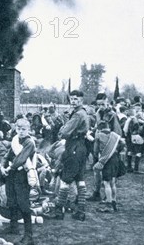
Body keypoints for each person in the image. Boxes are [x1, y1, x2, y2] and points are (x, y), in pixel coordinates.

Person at [54, 90, 89, 222]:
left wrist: (62, 130)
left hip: (73, 146)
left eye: (76, 99)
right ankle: (80, 211)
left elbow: (64, 132)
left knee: (65, 179)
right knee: (80, 179)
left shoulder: (77, 115)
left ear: (81, 100)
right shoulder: (84, 112)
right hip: (81, 147)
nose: (73, 101)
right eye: (72, 99)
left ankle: (59, 210)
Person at [1, 117, 36, 245]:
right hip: (12, 173)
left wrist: (9, 167)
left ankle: (28, 235)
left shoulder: (29, 143)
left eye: (24, 129)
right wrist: (2, 166)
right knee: (12, 199)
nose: (21, 131)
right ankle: (13, 226)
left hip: (22, 174)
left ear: (28, 130)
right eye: (19, 129)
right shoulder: (15, 140)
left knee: (23, 203)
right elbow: (8, 154)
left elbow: (21, 159)